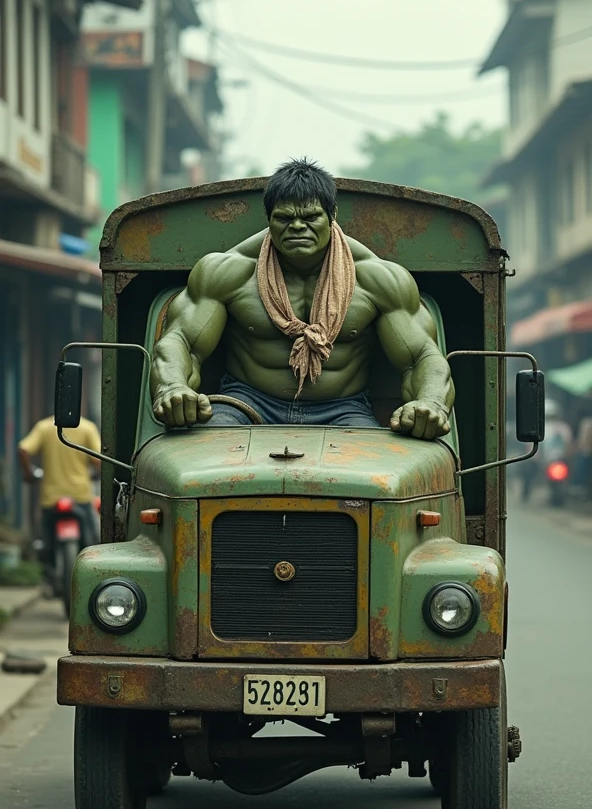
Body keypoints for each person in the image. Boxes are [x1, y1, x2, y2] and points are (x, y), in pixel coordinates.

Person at [151, 158, 454, 438]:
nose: (297, 226)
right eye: (284, 218)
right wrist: (172, 388)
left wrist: (430, 403)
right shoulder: (228, 272)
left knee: (379, 476)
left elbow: (422, 357)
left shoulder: (379, 280)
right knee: (201, 456)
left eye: (310, 217)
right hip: (243, 403)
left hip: (343, 410)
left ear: (332, 215)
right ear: (268, 218)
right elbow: (181, 343)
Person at [18, 415, 101, 571]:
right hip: (80, 494)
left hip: (51, 496)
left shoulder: (44, 427)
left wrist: (28, 473)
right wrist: (97, 473)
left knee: (44, 540)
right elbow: (98, 459)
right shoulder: (87, 428)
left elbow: (23, 449)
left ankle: (48, 573)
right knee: (89, 543)